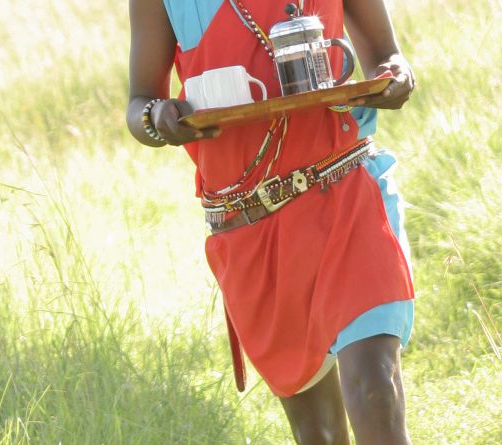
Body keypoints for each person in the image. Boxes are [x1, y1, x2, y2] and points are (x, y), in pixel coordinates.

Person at [126, 1, 416, 443]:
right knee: (318, 433)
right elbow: (139, 103)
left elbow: (385, 54)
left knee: (376, 388)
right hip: (250, 224)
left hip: (344, 190)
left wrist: (396, 76)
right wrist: (156, 118)